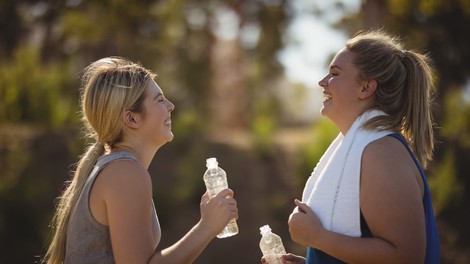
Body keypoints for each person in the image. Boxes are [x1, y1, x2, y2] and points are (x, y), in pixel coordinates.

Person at [43, 57, 238, 264]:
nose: (170, 106)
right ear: (132, 119)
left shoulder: (116, 168)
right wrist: (206, 227)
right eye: (160, 100)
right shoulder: (125, 174)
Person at [280, 30, 440, 263]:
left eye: (334, 73)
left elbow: (406, 257)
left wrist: (318, 237)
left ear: (366, 88)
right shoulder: (369, 147)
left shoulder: (381, 152)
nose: (322, 82)